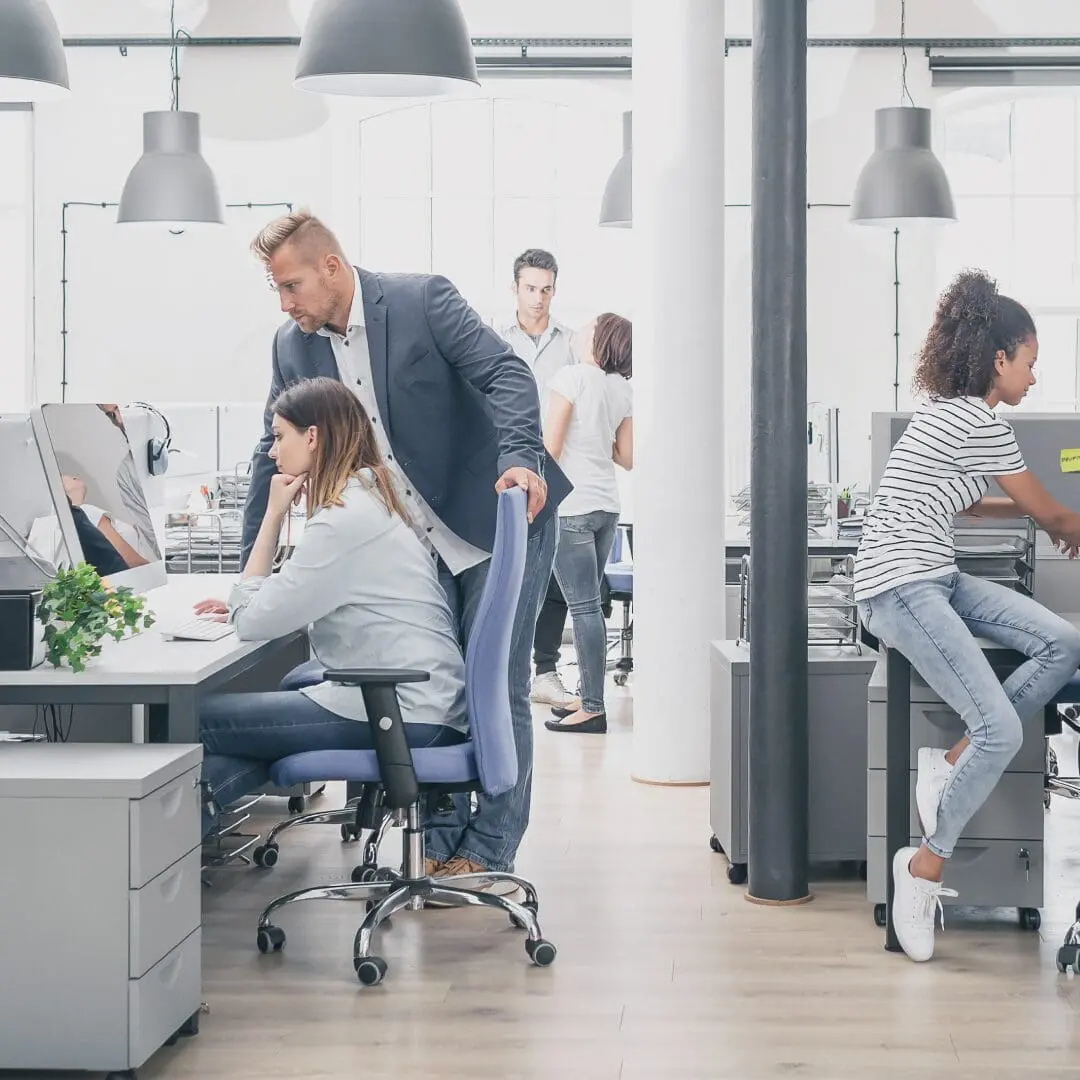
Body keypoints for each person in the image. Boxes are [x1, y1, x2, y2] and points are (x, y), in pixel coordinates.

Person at [212, 210, 569, 885]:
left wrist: (522, 460)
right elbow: (273, 457)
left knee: (497, 685)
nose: (286, 306)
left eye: (291, 287)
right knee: (444, 686)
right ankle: (436, 844)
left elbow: (509, 378)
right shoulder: (294, 345)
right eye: (276, 292)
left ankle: (490, 847)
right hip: (416, 537)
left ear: (332, 268)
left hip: (494, 511)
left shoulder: (420, 299)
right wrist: (245, 573)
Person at [855, 269, 1080, 963]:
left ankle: (948, 762)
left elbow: (975, 504)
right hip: (899, 587)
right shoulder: (977, 420)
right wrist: (1059, 521)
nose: (1034, 379)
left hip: (937, 573)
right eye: (1031, 364)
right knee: (1002, 728)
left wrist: (1046, 518)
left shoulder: (948, 417)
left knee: (1062, 643)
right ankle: (922, 869)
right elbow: (1053, 512)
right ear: (999, 360)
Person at [195, 377, 468, 835]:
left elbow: (253, 622)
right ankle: (192, 827)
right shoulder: (371, 499)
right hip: (423, 703)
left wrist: (272, 514)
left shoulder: (344, 519)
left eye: (280, 436)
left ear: (314, 437)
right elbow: (298, 592)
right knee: (249, 730)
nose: (271, 452)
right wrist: (255, 598)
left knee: (194, 720)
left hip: (401, 710)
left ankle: (170, 845)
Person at [542, 314, 633, 735]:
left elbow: (551, 449)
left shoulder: (571, 377)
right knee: (589, 607)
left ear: (599, 340)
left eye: (590, 325)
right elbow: (626, 456)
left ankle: (593, 707)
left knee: (582, 609)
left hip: (573, 507)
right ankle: (588, 695)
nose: (582, 329)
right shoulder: (621, 388)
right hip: (606, 507)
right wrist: (597, 435)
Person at [497, 249, 578, 711]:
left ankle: (545, 670)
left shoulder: (569, 342)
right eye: (530, 288)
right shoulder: (494, 336)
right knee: (503, 567)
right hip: (508, 467)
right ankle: (504, 667)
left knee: (551, 574)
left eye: (546, 289)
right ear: (515, 287)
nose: (538, 298)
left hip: (558, 469)